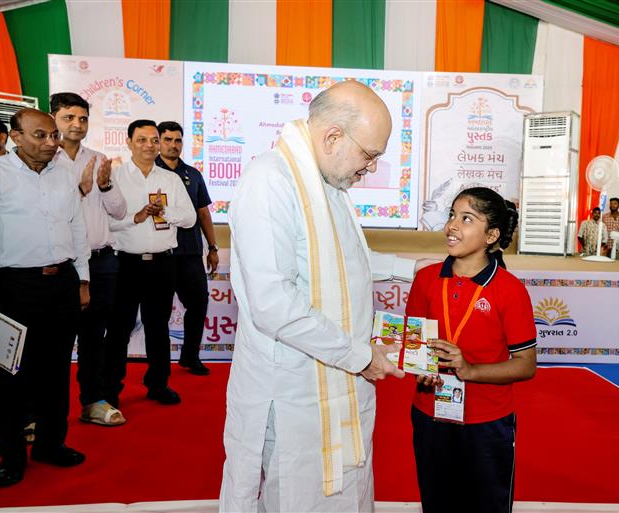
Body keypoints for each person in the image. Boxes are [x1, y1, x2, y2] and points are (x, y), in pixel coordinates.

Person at [220, 81, 421, 512]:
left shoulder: (326, 183)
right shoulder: (270, 181)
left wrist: (415, 272)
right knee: (298, 497)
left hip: (334, 374)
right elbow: (273, 302)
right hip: (295, 391)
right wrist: (361, 357)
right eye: (370, 155)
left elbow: (353, 259)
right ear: (333, 136)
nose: (369, 168)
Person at [406, 187, 537, 513]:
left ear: (491, 235)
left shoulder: (510, 290)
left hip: (487, 422)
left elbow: (525, 365)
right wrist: (424, 369)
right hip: (429, 415)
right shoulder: (425, 279)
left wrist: (471, 370)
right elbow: (413, 345)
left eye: (467, 219)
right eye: (452, 215)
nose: (453, 225)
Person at [0, 108, 90, 487]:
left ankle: (51, 444)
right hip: (13, 286)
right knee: (9, 375)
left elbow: (77, 226)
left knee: (55, 371)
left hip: (62, 283)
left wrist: (82, 280)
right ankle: (12, 456)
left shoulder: (65, 172)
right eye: (41, 135)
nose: (52, 143)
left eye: (53, 135)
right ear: (15, 137)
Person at [104, 119, 196, 407]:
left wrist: (164, 211)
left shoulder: (170, 179)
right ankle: (110, 390)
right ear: (129, 142)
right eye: (142, 140)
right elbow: (104, 223)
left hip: (162, 265)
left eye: (154, 140)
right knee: (119, 328)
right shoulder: (114, 177)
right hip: (125, 265)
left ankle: (158, 384)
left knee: (158, 327)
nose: (149, 145)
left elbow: (190, 218)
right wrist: (137, 217)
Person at [50, 92, 128, 427]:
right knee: (54, 341)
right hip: (61, 266)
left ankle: (93, 401)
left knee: (95, 338)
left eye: (82, 118)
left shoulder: (98, 159)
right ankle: (44, 413)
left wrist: (106, 185)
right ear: (52, 118)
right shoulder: (42, 160)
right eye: (69, 117)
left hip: (102, 262)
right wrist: (79, 191)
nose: (77, 124)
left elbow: (120, 211)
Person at [156, 121, 217, 376]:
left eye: (177, 140)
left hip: (190, 252)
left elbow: (203, 213)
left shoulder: (193, 174)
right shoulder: (148, 172)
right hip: (159, 255)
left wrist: (212, 247)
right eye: (167, 140)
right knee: (158, 311)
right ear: (158, 141)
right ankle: (158, 366)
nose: (173, 145)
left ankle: (190, 357)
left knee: (199, 303)